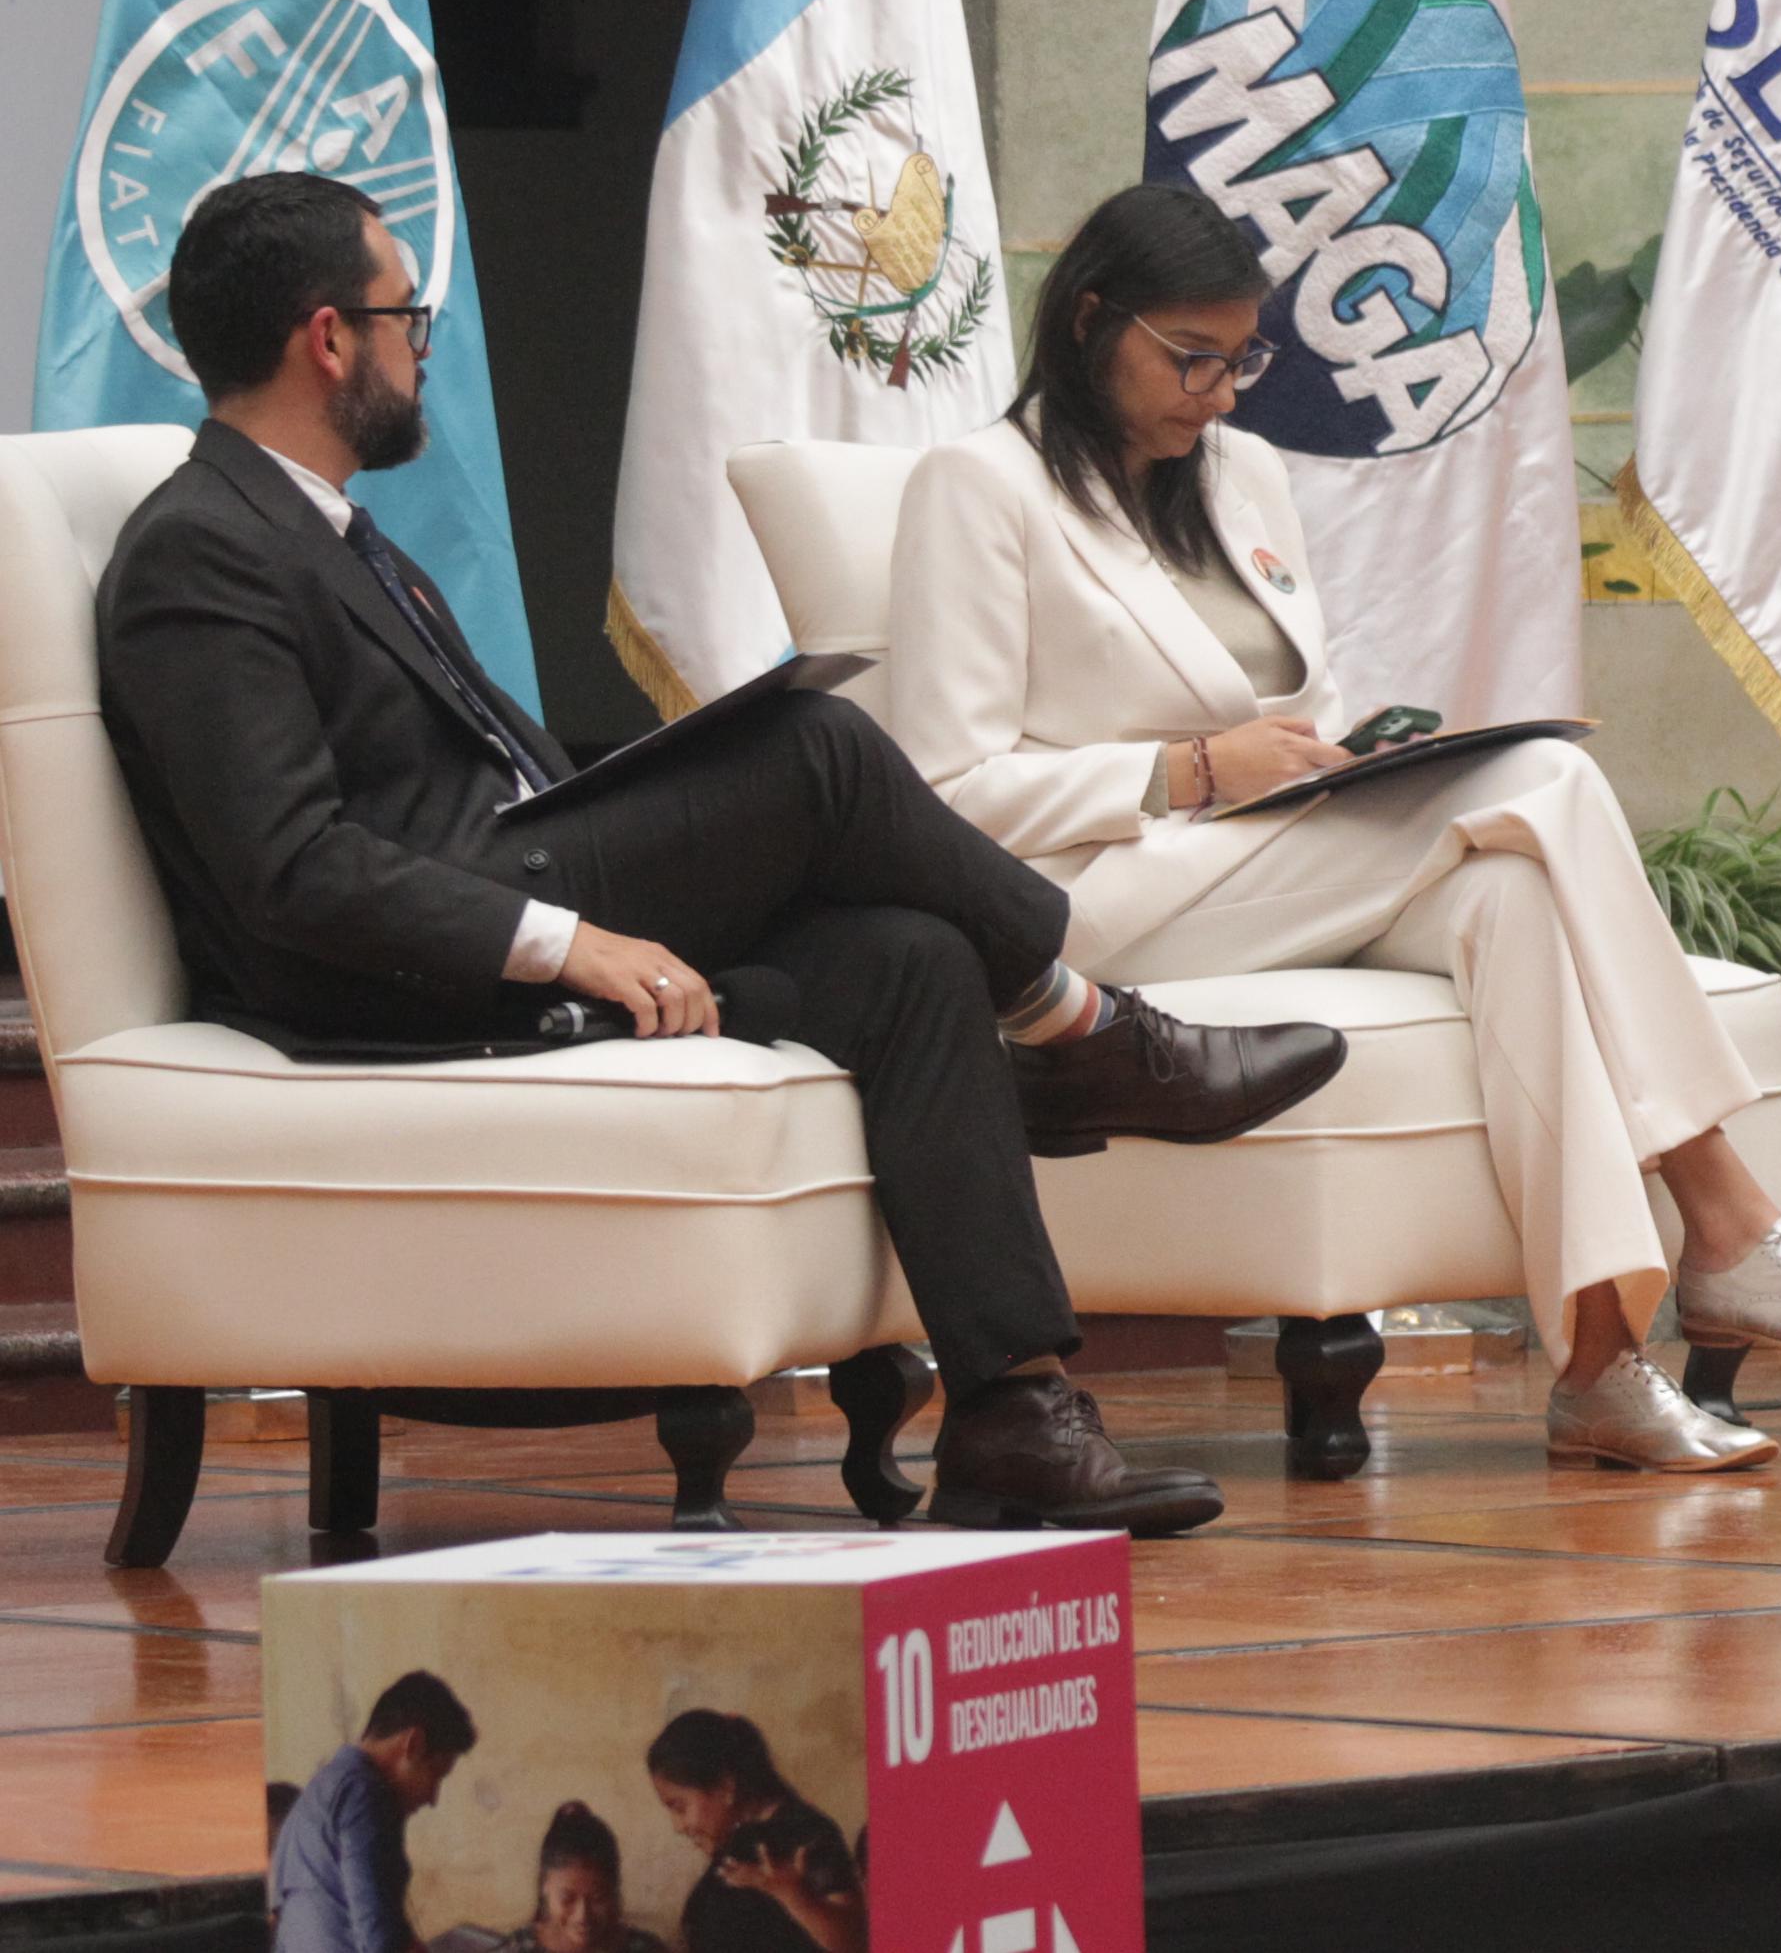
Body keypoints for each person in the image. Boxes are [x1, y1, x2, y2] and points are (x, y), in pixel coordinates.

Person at [92, 174, 1348, 1533]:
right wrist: (575, 940)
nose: (423, 346)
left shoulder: (328, 531)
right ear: (328, 337)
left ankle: (1014, 1416)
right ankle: (1086, 1024)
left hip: (492, 886)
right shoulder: (203, 549)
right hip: (396, 970)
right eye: (411, 315)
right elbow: (290, 869)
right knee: (817, 747)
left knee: (912, 958)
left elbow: (493, 782)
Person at [883, 183, 1781, 1477]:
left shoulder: (1246, 475)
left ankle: (1600, 1362)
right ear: (1092, 318)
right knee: (1545, 786)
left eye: (1245, 357)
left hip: (1260, 857)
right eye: (1194, 357)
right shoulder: (978, 486)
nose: (1223, 389)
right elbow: (942, 787)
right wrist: (1185, 768)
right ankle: (1725, 1215)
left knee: (1517, 899)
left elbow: (1292, 707)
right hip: (1088, 896)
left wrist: (1336, 760)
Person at [273, 1669, 472, 1953]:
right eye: (436, 1774)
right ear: (412, 1744)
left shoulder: (319, 1791)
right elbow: (380, 1939)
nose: (433, 1798)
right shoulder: (367, 1796)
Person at [642, 1714, 855, 1953]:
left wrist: (794, 1896)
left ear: (726, 1786)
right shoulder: (735, 1839)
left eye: (680, 1807)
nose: (678, 1826)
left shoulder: (807, 1833)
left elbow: (854, 1942)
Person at [428, 1802, 667, 1953]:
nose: (582, 1915)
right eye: (567, 1899)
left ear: (615, 1891)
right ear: (545, 1889)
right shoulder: (520, 1949)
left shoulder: (645, 1949)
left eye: (597, 1898)